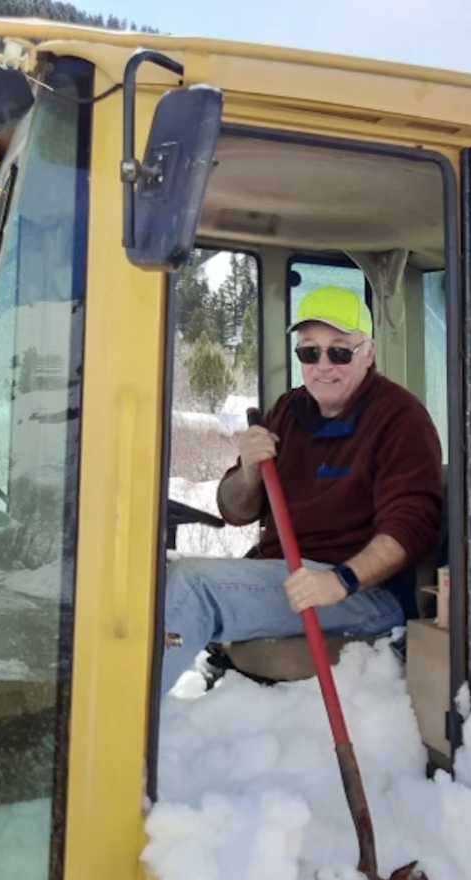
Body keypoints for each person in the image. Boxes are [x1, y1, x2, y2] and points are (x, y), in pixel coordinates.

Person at [161, 285, 443, 694]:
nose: (323, 366)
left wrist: (341, 580)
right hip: (288, 576)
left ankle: (120, 726)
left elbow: (411, 528)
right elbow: (235, 511)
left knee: (192, 586)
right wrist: (250, 471)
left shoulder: (400, 418)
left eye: (340, 352)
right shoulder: (288, 411)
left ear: (369, 353)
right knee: (154, 575)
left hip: (364, 592)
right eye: (310, 352)